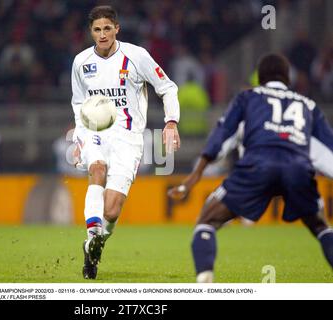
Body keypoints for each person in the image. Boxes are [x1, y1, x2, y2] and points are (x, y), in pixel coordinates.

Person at [168, 53, 333, 283]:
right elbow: (328, 151)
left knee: (207, 221)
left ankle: (205, 278)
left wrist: (195, 176)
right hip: (297, 169)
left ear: (260, 78)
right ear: (288, 79)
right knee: (320, 226)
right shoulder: (309, 105)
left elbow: (222, 136)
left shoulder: (248, 97)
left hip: (257, 166)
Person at [71, 5, 180, 279]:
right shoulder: (81, 62)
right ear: (91, 32)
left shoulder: (136, 56)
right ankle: (92, 231)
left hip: (128, 138)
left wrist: (171, 122)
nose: (103, 34)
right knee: (96, 169)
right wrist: (78, 137)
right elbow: (78, 102)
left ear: (117, 28)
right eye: (97, 29)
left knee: (112, 208)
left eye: (107, 28)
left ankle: (94, 244)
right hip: (94, 132)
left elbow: (167, 87)